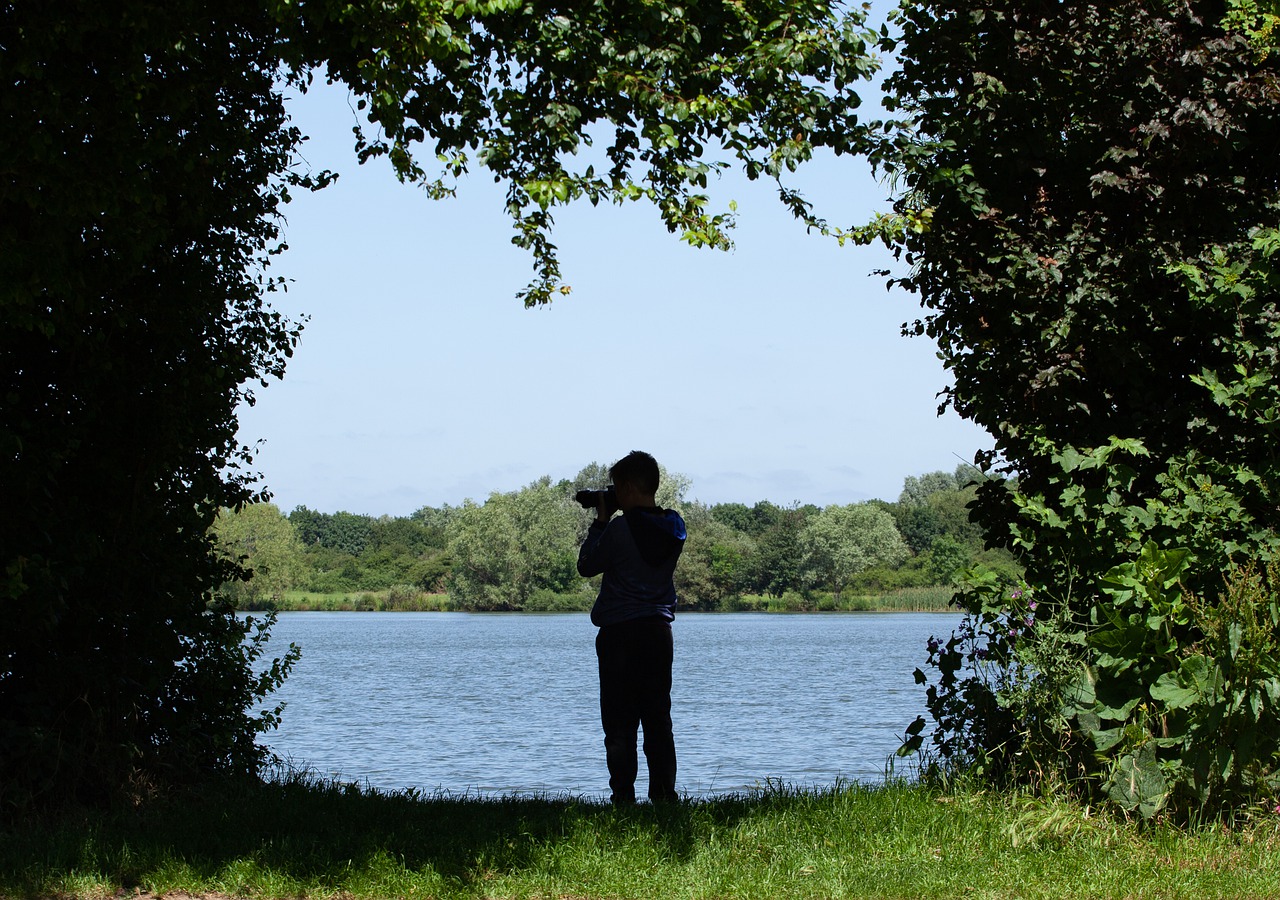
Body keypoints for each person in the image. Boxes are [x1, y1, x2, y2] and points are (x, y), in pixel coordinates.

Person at [577, 450, 687, 804]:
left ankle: (623, 797)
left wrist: (600, 521)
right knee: (658, 718)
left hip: (619, 637)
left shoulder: (620, 528)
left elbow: (587, 565)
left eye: (615, 487)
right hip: (658, 634)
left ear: (625, 487)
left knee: (619, 724)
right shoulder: (675, 526)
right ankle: (664, 796)